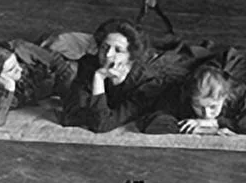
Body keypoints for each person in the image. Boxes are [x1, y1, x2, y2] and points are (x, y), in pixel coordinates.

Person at [58, 18, 195, 133]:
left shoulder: (146, 84)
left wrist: (99, 80)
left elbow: (101, 124)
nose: (108, 55)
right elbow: (70, 115)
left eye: (118, 50)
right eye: (105, 47)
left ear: (131, 56)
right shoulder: (89, 65)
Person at [140, 46, 246, 137]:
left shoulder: (238, 94)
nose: (206, 114)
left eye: (213, 106)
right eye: (199, 107)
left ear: (224, 98)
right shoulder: (179, 93)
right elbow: (152, 123)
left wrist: (217, 123)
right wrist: (196, 129)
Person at [0, 38, 78, 129]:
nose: (19, 69)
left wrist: (68, 101)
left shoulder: (22, 49)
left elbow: (59, 64)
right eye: (12, 70)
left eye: (16, 64)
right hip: (38, 90)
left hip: (51, 74)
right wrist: (9, 89)